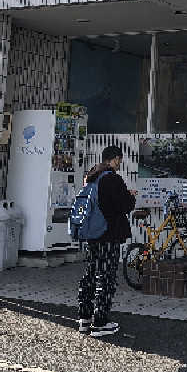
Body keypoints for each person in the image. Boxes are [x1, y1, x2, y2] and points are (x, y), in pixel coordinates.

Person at [77, 145, 134, 338]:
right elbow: (124, 205)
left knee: (91, 273)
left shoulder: (91, 177)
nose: (120, 164)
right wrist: (131, 197)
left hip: (92, 234)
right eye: (119, 160)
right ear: (116, 159)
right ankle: (100, 322)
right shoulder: (112, 178)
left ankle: (84, 318)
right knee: (106, 276)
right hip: (108, 235)